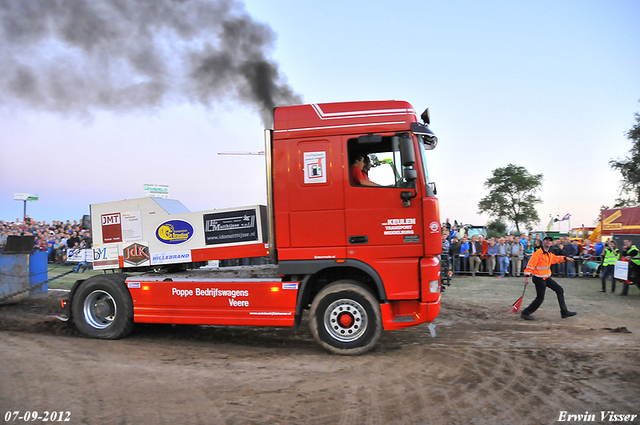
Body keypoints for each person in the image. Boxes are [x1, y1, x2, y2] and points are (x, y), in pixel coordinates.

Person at [520, 236, 576, 321]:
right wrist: (527, 277)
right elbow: (530, 266)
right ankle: (525, 313)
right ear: (543, 242)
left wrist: (565, 258)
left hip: (546, 278)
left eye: (550, 241)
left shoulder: (549, 254)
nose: (549, 242)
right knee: (540, 299)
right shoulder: (537, 254)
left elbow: (555, 258)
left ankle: (564, 312)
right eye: (547, 240)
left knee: (559, 290)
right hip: (538, 278)